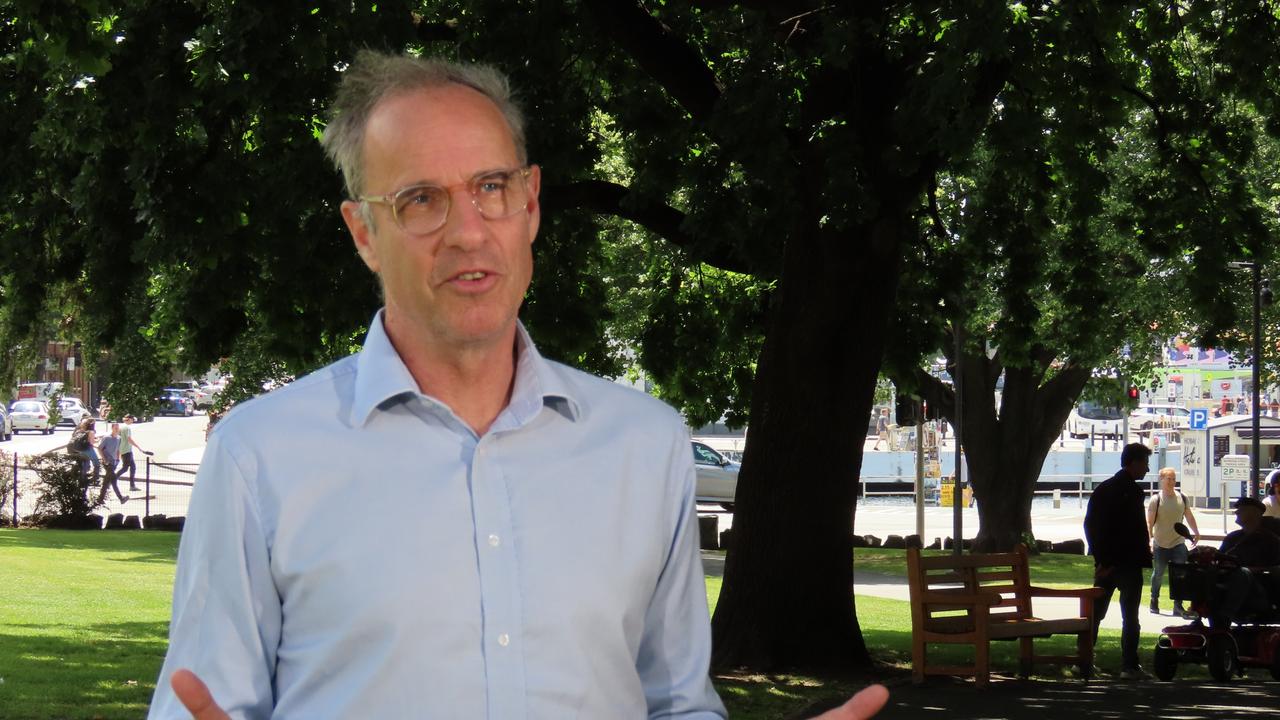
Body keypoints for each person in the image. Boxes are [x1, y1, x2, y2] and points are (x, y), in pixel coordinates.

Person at [148, 51, 885, 720]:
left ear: (530, 203)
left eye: (490, 188)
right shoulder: (260, 459)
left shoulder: (644, 444)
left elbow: (676, 704)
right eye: (420, 201)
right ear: (363, 232)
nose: (468, 231)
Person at [1084, 443, 1153, 680]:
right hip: (1127, 564)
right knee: (1130, 616)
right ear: (1133, 462)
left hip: (1105, 563)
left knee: (1094, 614)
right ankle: (1129, 665)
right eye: (1144, 462)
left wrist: (1101, 559)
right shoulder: (1133, 492)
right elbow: (1131, 530)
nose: (1147, 468)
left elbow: (1092, 525)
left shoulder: (1103, 489)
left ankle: (1083, 660)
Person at [1207, 496, 1280, 628]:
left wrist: (1250, 569)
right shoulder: (1232, 538)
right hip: (1228, 587)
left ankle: (1226, 615)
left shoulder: (1271, 541)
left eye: (1241, 510)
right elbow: (1220, 558)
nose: (1236, 512)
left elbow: (1275, 569)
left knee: (1243, 573)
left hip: (1258, 593)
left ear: (1253, 513)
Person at [1146, 467, 1199, 617]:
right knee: (1158, 574)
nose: (1172, 481)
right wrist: (1150, 540)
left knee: (1180, 574)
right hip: (1160, 543)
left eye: (1174, 478)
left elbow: (1188, 516)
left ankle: (1178, 605)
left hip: (1178, 543)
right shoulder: (1156, 499)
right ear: (1161, 480)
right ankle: (1154, 599)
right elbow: (1149, 522)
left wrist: (1196, 532)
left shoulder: (1182, 497)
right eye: (1169, 479)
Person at [118, 414, 152, 492]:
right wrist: (139, 447)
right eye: (132, 420)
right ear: (129, 419)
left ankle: (132, 485)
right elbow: (129, 439)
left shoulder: (121, 426)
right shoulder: (127, 428)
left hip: (124, 450)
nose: (133, 421)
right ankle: (113, 479)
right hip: (127, 450)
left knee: (130, 467)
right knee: (126, 468)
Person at [96, 422, 127, 505]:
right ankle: (121, 498)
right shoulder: (106, 438)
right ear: (112, 428)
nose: (117, 429)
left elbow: (118, 449)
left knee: (107, 481)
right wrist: (104, 459)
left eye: (118, 428)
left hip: (114, 462)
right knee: (113, 480)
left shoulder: (119, 438)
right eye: (115, 428)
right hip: (107, 462)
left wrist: (118, 459)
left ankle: (100, 498)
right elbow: (99, 448)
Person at [69, 417, 101, 485]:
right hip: (88, 449)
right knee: (97, 463)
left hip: (79, 450)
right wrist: (98, 440)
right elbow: (91, 442)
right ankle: (95, 479)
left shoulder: (80, 430)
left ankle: (82, 479)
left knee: (85, 464)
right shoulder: (91, 432)